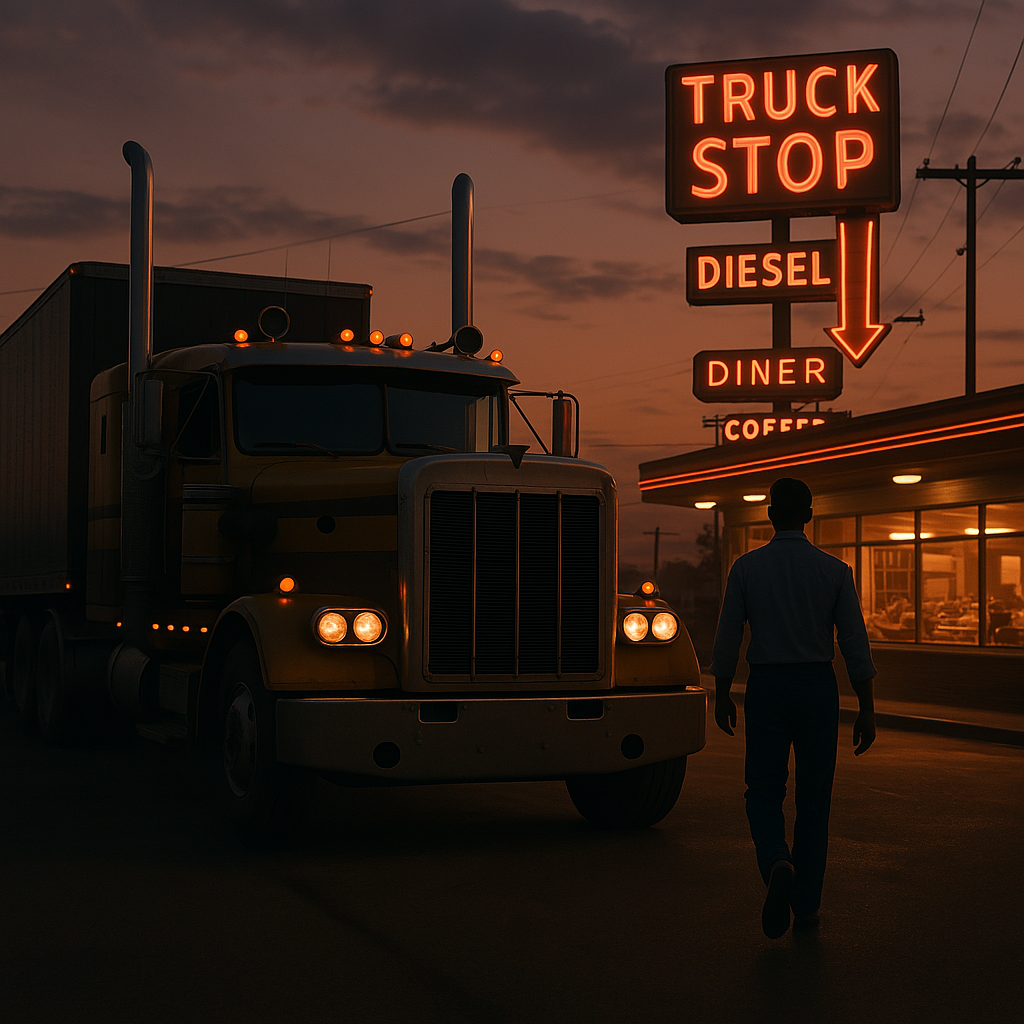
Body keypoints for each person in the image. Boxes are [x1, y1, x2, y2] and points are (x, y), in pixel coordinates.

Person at [711, 477, 876, 939]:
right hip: (816, 686)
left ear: (769, 514)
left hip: (766, 685)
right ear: (809, 515)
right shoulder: (835, 571)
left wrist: (723, 692)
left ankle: (776, 860)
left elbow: (727, 638)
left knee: (763, 788)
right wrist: (866, 706)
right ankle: (806, 905)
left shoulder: (746, 569)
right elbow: (855, 644)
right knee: (814, 798)